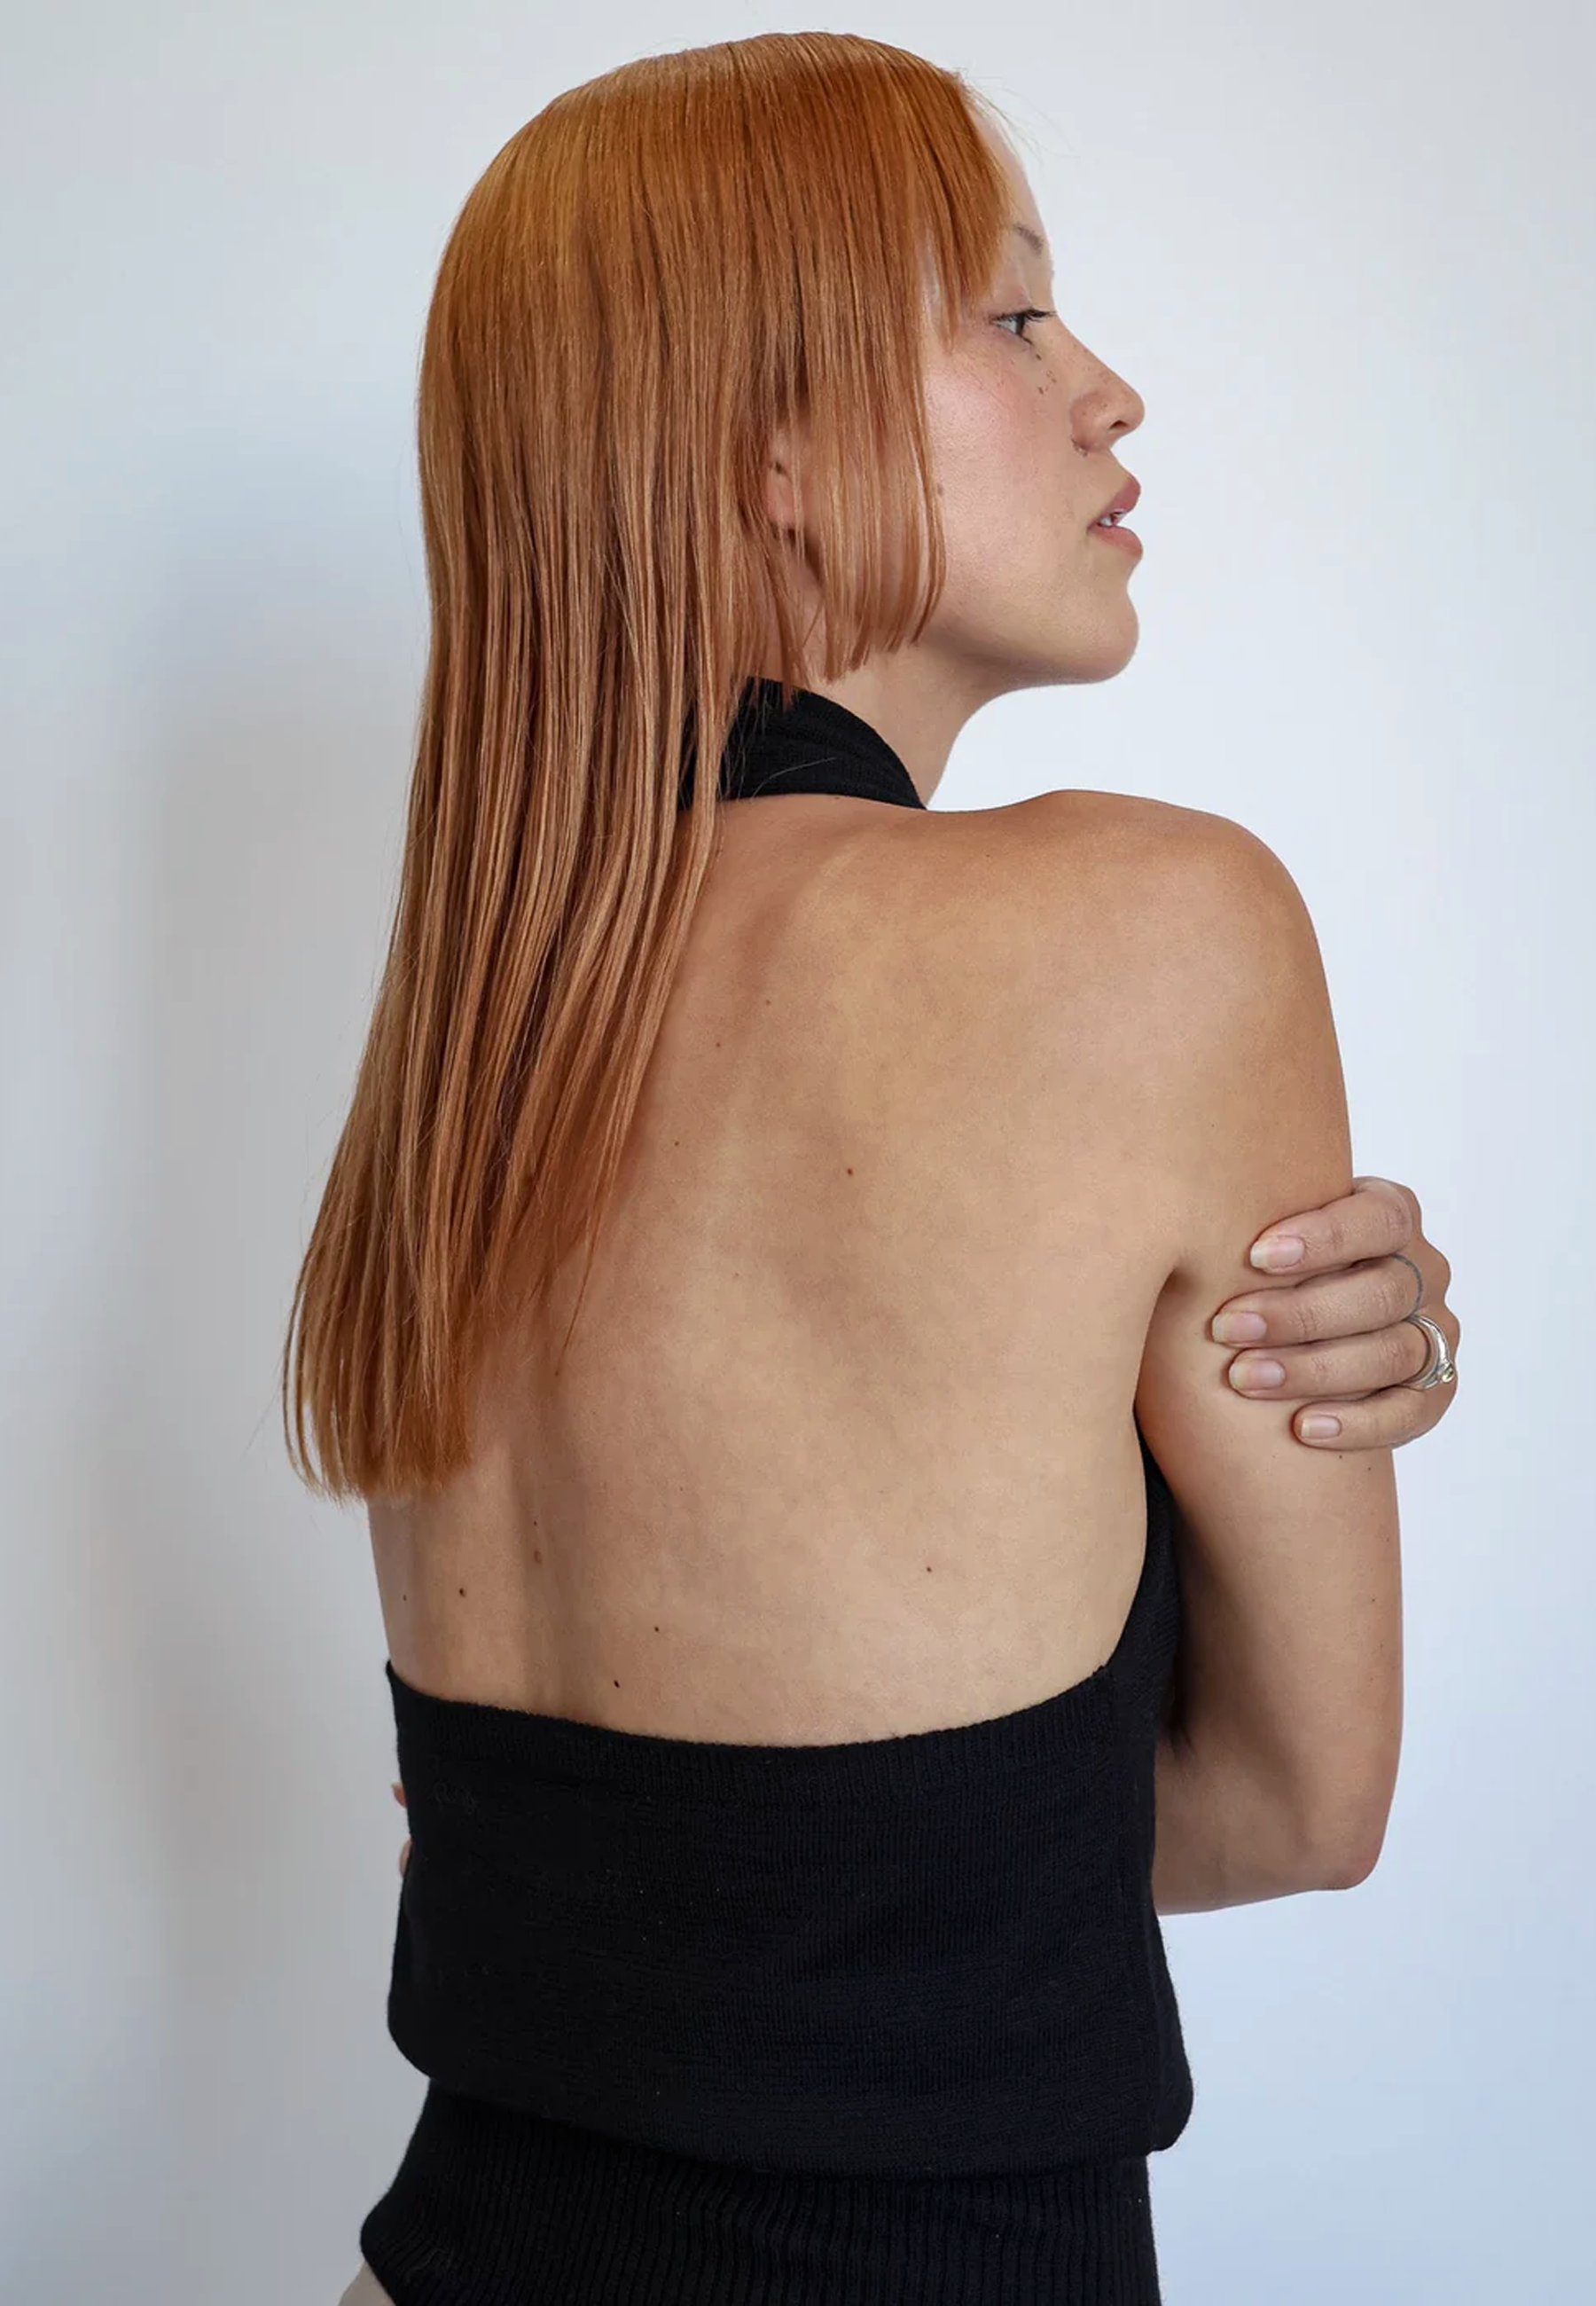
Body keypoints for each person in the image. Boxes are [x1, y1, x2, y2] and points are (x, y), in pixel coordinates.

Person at [286, 31, 1461, 2306]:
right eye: (1015, 316)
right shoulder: (1158, 925)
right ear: (774, 447)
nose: (1108, 389)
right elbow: (1300, 1808)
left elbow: (595, 1869)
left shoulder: (481, 1038)